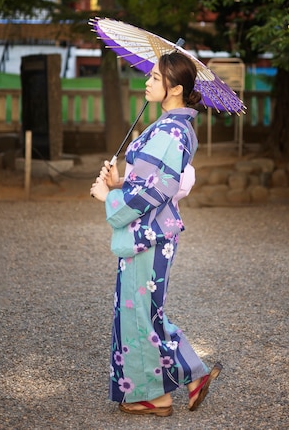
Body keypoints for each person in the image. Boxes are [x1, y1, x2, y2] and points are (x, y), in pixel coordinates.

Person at [90, 51, 222, 417]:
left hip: (148, 235)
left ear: (175, 88)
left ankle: (153, 395)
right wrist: (121, 180)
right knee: (146, 311)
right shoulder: (171, 126)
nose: (146, 82)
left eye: (154, 77)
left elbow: (158, 188)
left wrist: (111, 197)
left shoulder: (171, 130)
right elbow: (148, 179)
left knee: (138, 316)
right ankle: (192, 374)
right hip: (154, 234)